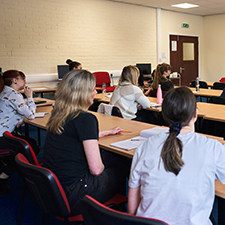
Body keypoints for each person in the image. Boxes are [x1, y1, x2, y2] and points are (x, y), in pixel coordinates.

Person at [128, 86, 224, 225]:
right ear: (195, 114)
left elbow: (132, 210)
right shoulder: (213, 148)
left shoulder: (145, 146)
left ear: (164, 115)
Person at [43, 69, 129, 216]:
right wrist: (104, 164)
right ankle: (115, 214)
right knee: (122, 167)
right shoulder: (86, 118)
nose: (96, 92)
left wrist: (106, 132)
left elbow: (76, 137)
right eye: (92, 89)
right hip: (75, 194)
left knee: (112, 157)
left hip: (54, 189)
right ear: (82, 93)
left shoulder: (59, 113)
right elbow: (96, 170)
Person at [0, 70, 40, 195]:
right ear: (15, 80)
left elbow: (8, 112)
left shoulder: (3, 91)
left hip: (3, 134)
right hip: (1, 138)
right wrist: (29, 97)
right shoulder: (14, 94)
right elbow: (31, 115)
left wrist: (19, 119)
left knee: (31, 142)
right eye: (23, 78)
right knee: (31, 148)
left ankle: (6, 163)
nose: (25, 81)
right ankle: (3, 176)